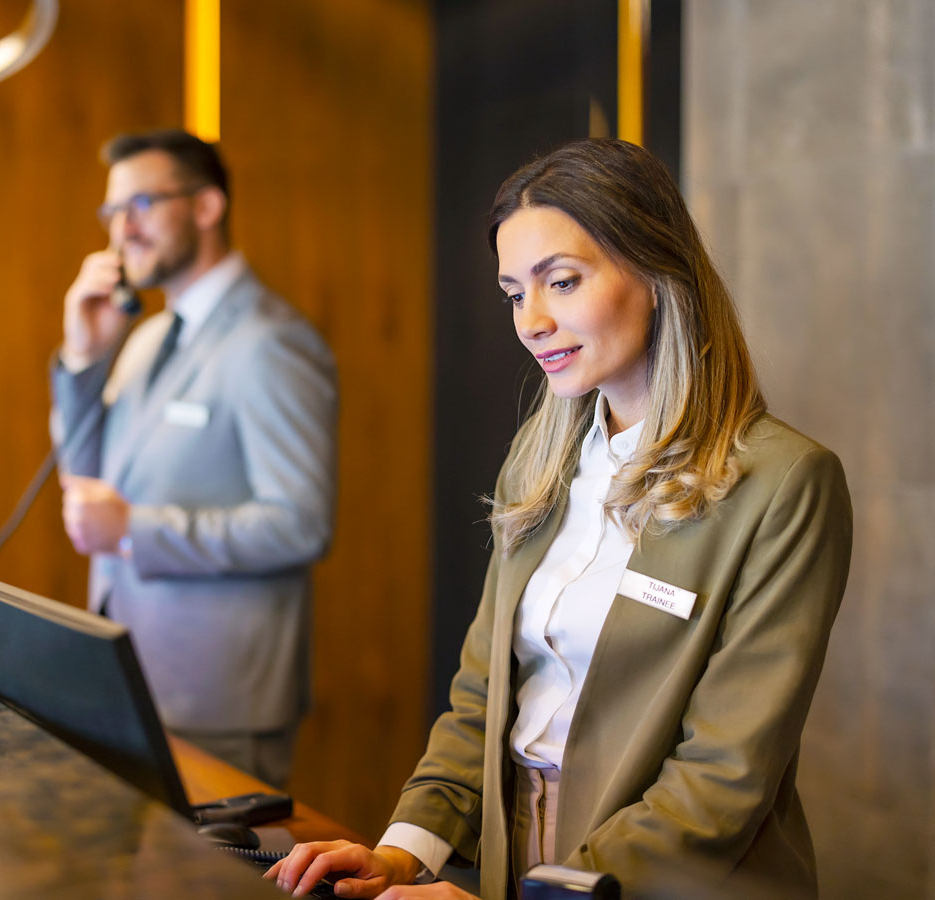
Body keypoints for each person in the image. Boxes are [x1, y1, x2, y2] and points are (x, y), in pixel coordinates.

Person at [267, 139, 852, 899]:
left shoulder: (786, 483)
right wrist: (404, 852)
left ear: (657, 271)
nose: (532, 321)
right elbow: (483, 696)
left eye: (562, 282)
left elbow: (721, 779)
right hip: (522, 853)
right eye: (514, 293)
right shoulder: (538, 460)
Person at [50, 129, 338, 789]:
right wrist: (83, 357)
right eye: (112, 212)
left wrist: (134, 531)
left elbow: (300, 524)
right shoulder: (145, 336)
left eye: (142, 203)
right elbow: (84, 481)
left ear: (207, 207)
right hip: (127, 678)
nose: (122, 229)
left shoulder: (271, 342)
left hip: (218, 701)